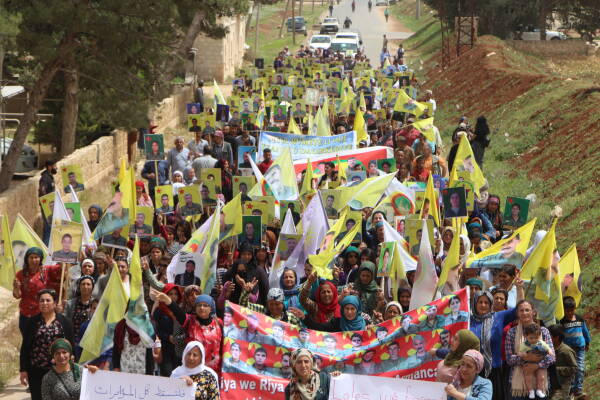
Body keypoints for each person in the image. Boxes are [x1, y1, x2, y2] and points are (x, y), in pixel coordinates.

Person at [19, 289, 74, 400]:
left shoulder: (64, 322)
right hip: (36, 371)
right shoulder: (32, 322)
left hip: (59, 370)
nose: (44, 303)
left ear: (55, 303)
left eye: (48, 300)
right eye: (42, 300)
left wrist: (72, 365)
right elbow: (25, 347)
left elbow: (71, 346)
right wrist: (23, 369)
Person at [157, 293, 223, 372]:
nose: (202, 308)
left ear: (211, 308)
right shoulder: (189, 320)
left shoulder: (219, 323)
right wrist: (168, 301)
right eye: (199, 305)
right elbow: (177, 311)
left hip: (214, 369)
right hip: (192, 369)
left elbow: (225, 345)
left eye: (205, 305)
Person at [505, 300, 555, 400]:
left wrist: (537, 365)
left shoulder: (543, 331)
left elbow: (552, 357)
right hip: (518, 386)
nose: (524, 313)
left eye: (527, 310)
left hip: (541, 384)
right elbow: (509, 359)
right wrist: (527, 358)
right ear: (517, 313)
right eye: (521, 310)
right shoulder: (512, 333)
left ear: (533, 312)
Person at [13, 247, 62, 335]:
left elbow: (62, 268)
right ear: (27, 259)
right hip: (26, 314)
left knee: (41, 339)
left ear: (40, 259)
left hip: (43, 312)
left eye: (36, 257)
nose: (33, 260)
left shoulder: (46, 271)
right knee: (27, 339)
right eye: (31, 257)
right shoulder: (20, 274)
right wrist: (16, 287)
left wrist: (64, 255)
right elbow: (17, 296)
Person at [560, 296, 590, 398]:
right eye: (567, 311)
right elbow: (560, 335)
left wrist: (587, 342)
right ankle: (571, 389)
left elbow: (585, 331)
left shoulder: (579, 319)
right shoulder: (562, 321)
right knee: (571, 369)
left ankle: (579, 389)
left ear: (575, 309)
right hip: (568, 350)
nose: (570, 313)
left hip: (580, 348)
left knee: (580, 368)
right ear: (563, 310)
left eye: (572, 310)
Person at [153, 283, 184, 376]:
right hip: (165, 349)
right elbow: (155, 331)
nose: (173, 296)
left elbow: (186, 328)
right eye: (170, 294)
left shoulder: (181, 311)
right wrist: (168, 337)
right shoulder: (159, 311)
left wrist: (179, 338)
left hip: (179, 349)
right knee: (167, 375)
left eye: (176, 294)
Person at [519, 323, 553, 399]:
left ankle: (539, 390)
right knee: (528, 377)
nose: (534, 340)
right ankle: (531, 390)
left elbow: (548, 348)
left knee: (542, 377)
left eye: (536, 338)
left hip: (539, 362)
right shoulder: (524, 344)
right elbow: (520, 352)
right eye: (531, 338)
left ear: (539, 336)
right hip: (528, 362)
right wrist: (523, 354)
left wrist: (550, 352)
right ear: (526, 336)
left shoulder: (541, 343)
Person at [547, 325, 578, 400]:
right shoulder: (548, 349)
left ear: (556, 337)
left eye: (549, 336)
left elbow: (574, 368)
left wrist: (556, 369)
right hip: (551, 384)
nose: (546, 339)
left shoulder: (566, 351)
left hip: (563, 385)